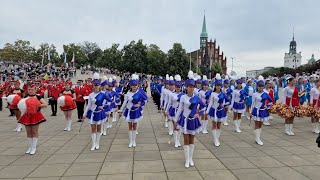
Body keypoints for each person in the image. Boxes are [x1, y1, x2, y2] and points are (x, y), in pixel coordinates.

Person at [175, 71, 205, 168]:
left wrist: (198, 114)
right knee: (186, 140)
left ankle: (191, 158)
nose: (191, 88)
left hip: (193, 120)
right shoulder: (183, 97)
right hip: (184, 120)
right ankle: (187, 160)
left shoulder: (197, 98)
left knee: (192, 140)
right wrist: (176, 121)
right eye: (189, 86)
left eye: (192, 86)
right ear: (186, 87)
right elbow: (179, 109)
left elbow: (204, 107)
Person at [119, 74, 148, 148]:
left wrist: (140, 105)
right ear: (131, 86)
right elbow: (124, 103)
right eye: (133, 85)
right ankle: (130, 141)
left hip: (136, 111)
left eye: (135, 85)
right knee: (129, 126)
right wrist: (120, 111)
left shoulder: (140, 93)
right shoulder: (128, 94)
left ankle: (134, 141)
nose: (134, 87)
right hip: (128, 111)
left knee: (134, 126)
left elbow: (146, 100)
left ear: (137, 85)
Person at [19, 84, 47, 155]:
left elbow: (45, 104)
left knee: (34, 131)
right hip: (27, 115)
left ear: (35, 90)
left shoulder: (38, 96)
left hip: (35, 115)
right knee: (28, 132)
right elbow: (22, 106)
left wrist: (35, 104)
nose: (30, 91)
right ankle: (30, 147)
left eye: (32, 90)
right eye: (29, 90)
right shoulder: (25, 97)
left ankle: (34, 147)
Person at [83, 79, 110, 151]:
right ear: (93, 85)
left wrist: (103, 107)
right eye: (95, 85)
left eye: (97, 85)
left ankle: (97, 143)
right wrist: (84, 114)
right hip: (92, 114)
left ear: (100, 86)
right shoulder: (90, 95)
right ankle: (93, 144)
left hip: (99, 113)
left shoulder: (102, 94)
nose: (96, 86)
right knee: (93, 129)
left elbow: (110, 101)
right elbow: (88, 105)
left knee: (98, 129)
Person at [206, 74, 229, 147]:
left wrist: (224, 105)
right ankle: (215, 139)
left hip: (220, 110)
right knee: (214, 125)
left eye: (219, 85)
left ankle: (217, 138)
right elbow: (210, 103)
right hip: (214, 111)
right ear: (215, 86)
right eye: (217, 85)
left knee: (219, 125)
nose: (218, 87)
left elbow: (228, 101)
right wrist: (207, 111)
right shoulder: (213, 94)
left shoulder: (223, 93)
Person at [250, 80, 273, 145]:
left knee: (260, 124)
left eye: (262, 86)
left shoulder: (265, 94)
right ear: (257, 87)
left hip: (263, 111)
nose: (261, 87)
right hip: (256, 111)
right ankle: (257, 138)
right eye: (259, 86)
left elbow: (271, 101)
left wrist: (267, 106)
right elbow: (253, 104)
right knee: (257, 124)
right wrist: (250, 112)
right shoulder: (254, 94)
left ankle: (258, 137)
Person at [165, 75, 184, 148]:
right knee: (175, 126)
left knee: (179, 127)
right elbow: (169, 103)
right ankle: (176, 141)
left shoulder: (183, 95)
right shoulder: (171, 94)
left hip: (180, 112)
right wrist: (166, 111)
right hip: (173, 111)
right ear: (175, 87)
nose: (178, 88)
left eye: (179, 87)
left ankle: (178, 141)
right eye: (177, 87)